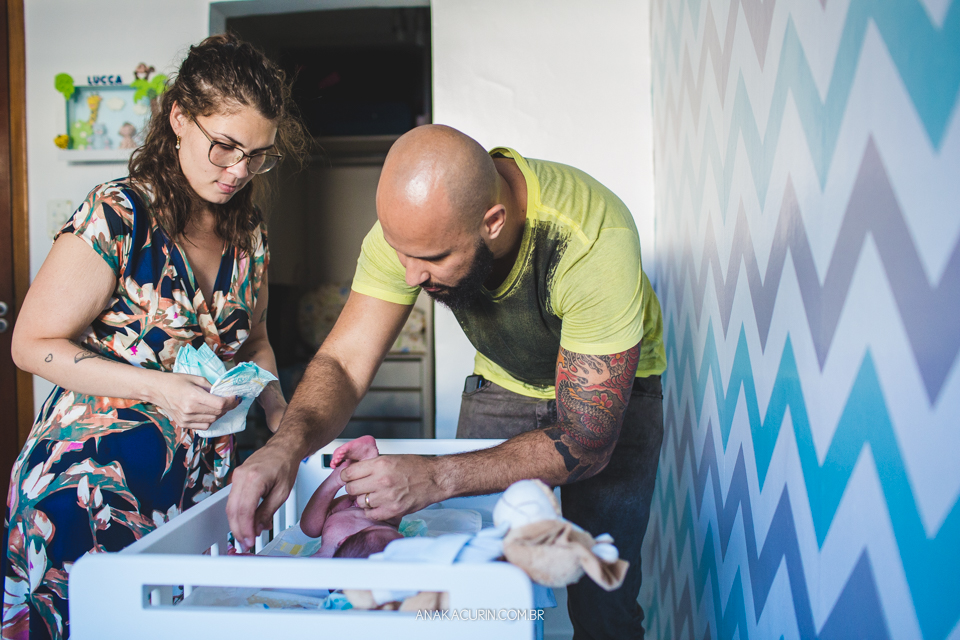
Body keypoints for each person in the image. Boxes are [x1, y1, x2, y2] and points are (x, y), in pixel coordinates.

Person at [227, 124, 666, 640]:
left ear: (493, 223)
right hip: (502, 384)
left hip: (608, 398)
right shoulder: (411, 236)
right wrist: (285, 447)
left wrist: (434, 477)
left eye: (433, 259)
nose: (411, 275)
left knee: (603, 605)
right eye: (400, 252)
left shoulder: (590, 240)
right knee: (469, 598)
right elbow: (344, 363)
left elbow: (586, 440)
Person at [3, 34, 307, 639]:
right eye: (225, 147)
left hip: (196, 498)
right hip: (87, 489)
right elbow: (30, 343)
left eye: (258, 155)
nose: (239, 171)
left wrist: (286, 421)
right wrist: (159, 388)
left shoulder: (249, 233)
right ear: (178, 118)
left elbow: (255, 340)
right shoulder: (117, 215)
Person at [299, 435, 403, 559]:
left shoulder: (325, 559)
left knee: (310, 528)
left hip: (343, 513)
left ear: (343, 541)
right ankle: (367, 459)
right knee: (389, 501)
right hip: (381, 519)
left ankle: (336, 479)